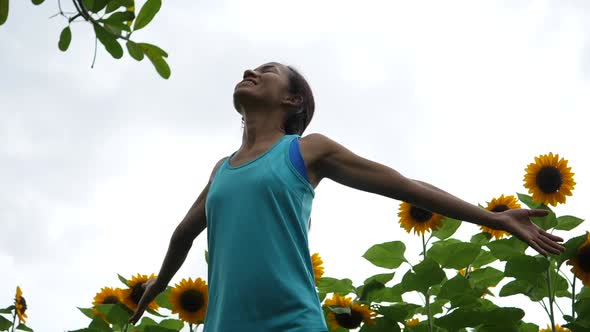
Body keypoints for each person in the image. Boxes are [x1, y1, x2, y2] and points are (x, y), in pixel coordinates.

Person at [128, 62, 566, 331]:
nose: (251, 72)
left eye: (267, 71)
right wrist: (158, 284)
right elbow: (183, 234)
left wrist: (497, 218)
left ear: (292, 99)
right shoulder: (221, 171)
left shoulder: (304, 151)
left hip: (292, 325)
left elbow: (405, 185)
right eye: (250, 69)